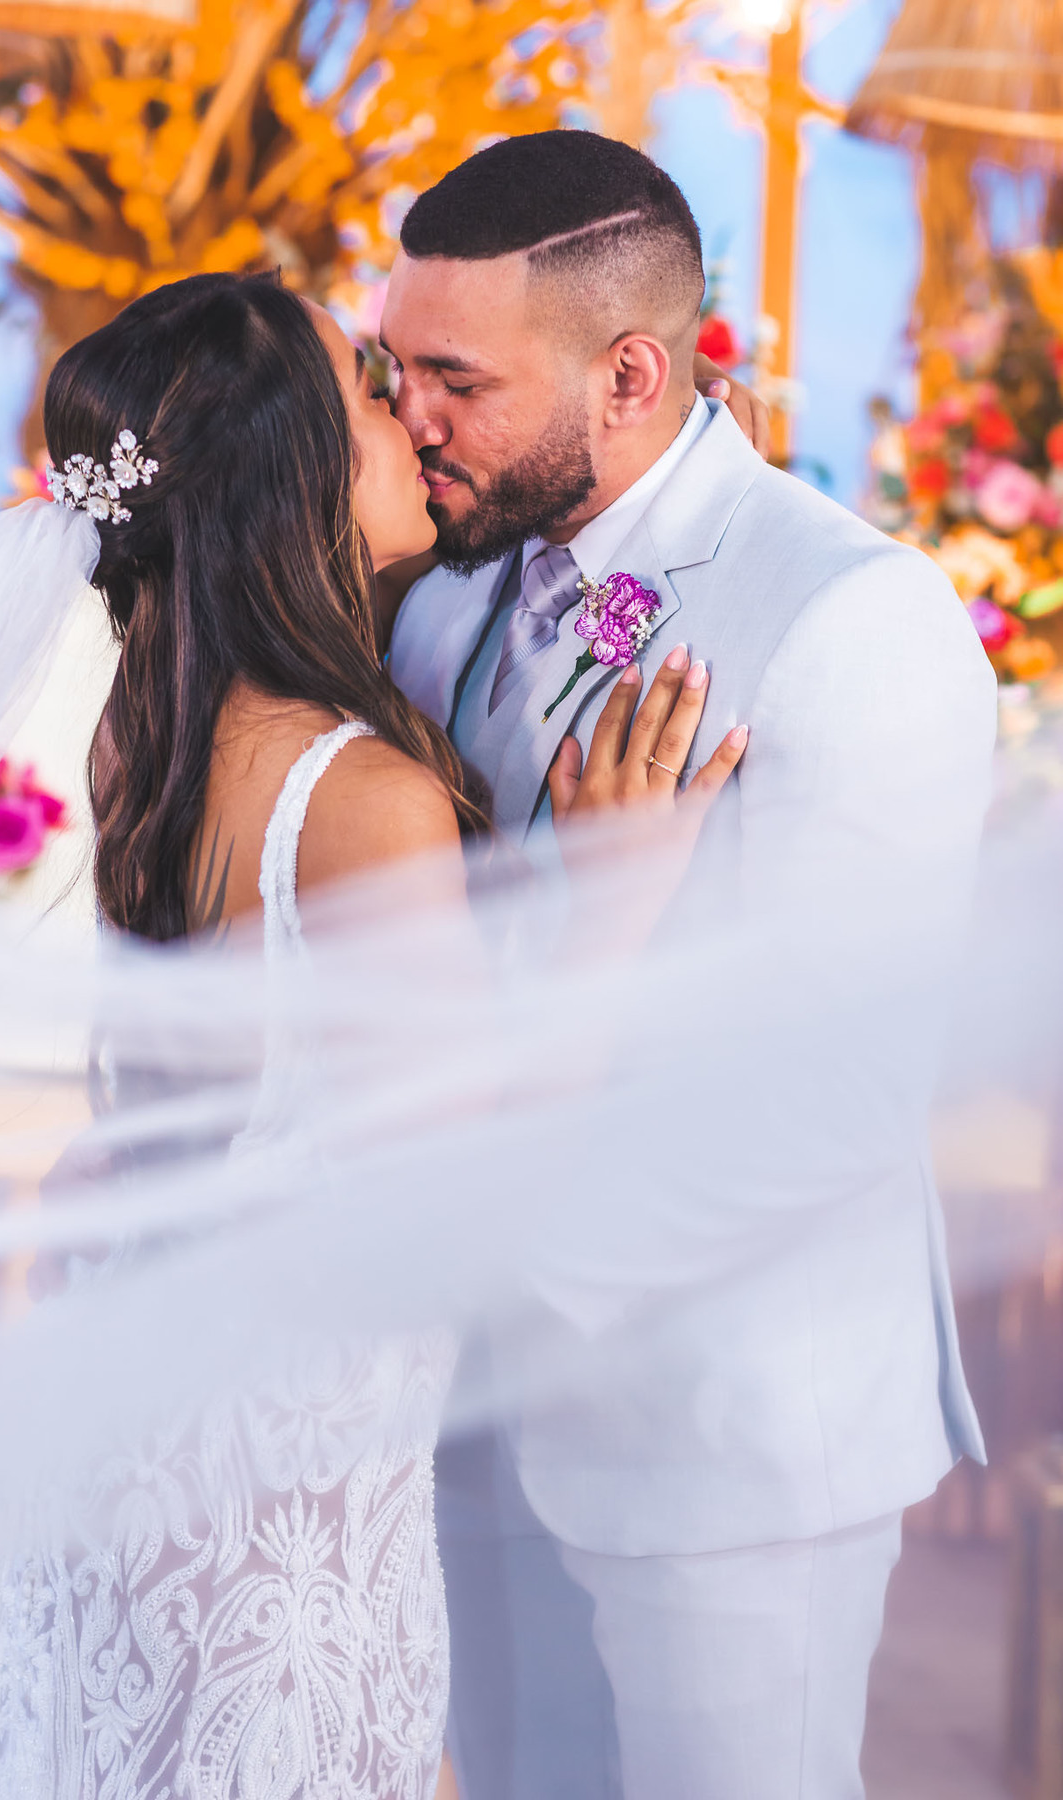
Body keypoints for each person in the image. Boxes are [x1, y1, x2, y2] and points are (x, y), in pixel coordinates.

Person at [0, 269, 745, 1800]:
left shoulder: (155, 729)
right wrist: (610, 909)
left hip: (134, 1447)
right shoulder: (359, 798)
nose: (413, 420)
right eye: (371, 393)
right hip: (273, 1519)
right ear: (295, 475)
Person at [382, 130, 997, 1800]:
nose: (409, 419)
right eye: (393, 369)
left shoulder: (851, 622)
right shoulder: (441, 593)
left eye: (453, 377)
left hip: (724, 1438)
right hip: (472, 1440)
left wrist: (491, 1281)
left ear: (632, 374)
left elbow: (833, 1103)